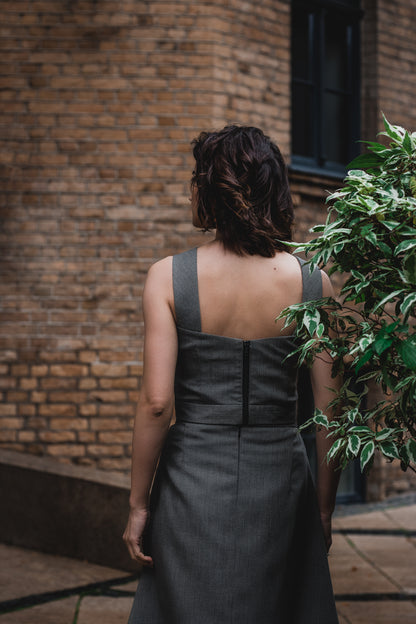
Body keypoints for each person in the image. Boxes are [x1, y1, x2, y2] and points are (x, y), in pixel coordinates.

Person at [124, 125, 340, 623]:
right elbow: (332, 412)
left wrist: (138, 505)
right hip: (281, 482)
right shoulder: (312, 283)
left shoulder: (168, 277)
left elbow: (157, 403)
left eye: (197, 178)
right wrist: (322, 509)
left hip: (191, 480)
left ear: (214, 190)